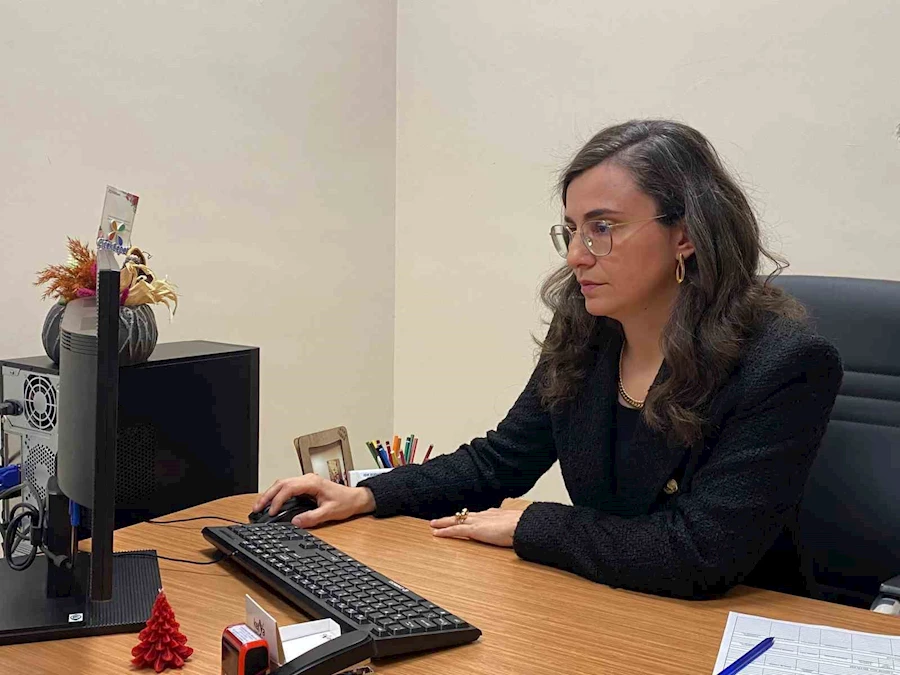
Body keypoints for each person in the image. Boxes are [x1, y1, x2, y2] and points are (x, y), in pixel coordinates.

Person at [255, 120, 843, 599]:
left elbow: (699, 553)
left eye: (603, 228)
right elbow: (500, 462)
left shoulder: (784, 363)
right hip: (604, 598)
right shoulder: (587, 332)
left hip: (731, 627)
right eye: (571, 231)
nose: (577, 256)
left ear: (685, 236)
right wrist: (369, 494)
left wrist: (531, 525)